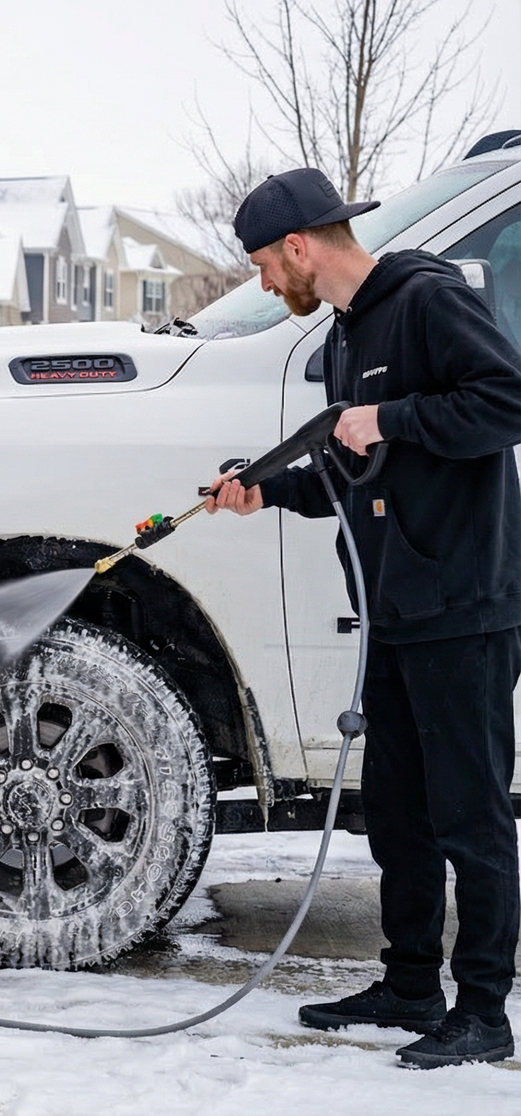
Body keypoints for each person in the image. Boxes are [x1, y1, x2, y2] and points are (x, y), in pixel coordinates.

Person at [207, 167, 521, 1069]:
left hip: (462, 606)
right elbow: (356, 469)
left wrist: (394, 416)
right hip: (392, 609)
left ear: (298, 247)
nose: (267, 282)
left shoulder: (426, 301)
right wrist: (267, 491)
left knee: (470, 819)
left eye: (266, 266)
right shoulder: (347, 334)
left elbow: (506, 401)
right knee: (400, 814)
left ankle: (484, 1011)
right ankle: (411, 984)